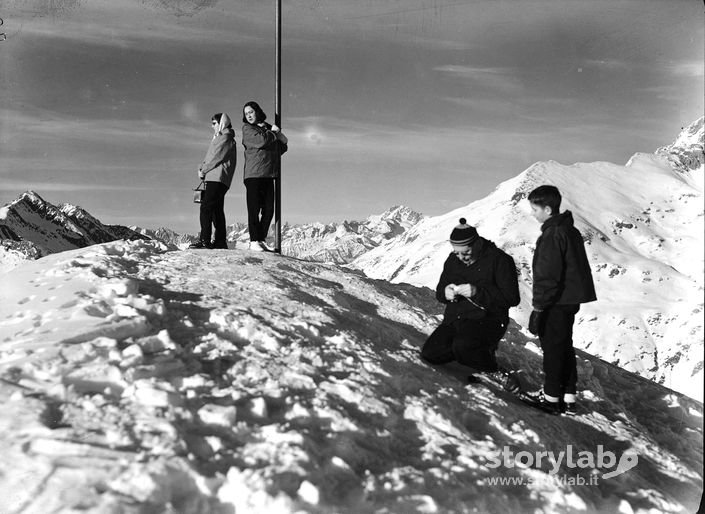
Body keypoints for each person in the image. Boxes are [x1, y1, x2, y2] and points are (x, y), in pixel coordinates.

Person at [527, 185, 596, 415]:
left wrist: (538, 307)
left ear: (547, 209)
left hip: (554, 301)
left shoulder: (552, 234)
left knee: (553, 350)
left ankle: (551, 398)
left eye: (535, 209)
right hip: (569, 300)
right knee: (564, 347)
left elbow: (547, 276)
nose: (533, 214)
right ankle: (568, 397)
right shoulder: (569, 230)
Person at [421, 218, 520, 376]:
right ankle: (470, 353)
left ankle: (493, 369)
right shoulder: (452, 260)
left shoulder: (500, 260)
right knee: (431, 353)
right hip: (456, 318)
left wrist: (477, 292)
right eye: (456, 252)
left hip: (489, 320)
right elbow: (440, 290)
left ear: (478, 244)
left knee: (463, 346)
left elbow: (511, 298)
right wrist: (445, 293)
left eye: (466, 252)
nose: (461, 257)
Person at [241, 101, 288, 252]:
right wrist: (274, 133)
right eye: (246, 113)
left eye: (251, 112)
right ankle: (254, 240)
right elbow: (261, 141)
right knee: (254, 208)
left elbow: (280, 148)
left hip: (268, 174)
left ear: (257, 112)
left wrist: (280, 137)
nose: (249, 115)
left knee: (268, 209)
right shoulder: (247, 129)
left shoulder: (266, 128)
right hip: (254, 174)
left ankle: (260, 239)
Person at [190, 112, 237, 249]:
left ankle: (205, 240)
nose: (212, 126)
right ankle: (220, 241)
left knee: (206, 207)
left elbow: (216, 157)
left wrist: (202, 169)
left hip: (217, 177)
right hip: (218, 178)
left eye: (214, 123)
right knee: (216, 210)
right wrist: (203, 169)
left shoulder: (225, 138)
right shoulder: (222, 137)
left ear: (222, 123)